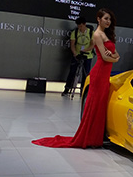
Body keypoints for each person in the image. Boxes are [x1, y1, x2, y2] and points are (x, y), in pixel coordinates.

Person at [33, 8, 120, 149]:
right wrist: (115, 59)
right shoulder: (97, 34)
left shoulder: (106, 35)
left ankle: (95, 138)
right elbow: (106, 57)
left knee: (100, 106)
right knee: (94, 105)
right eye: (105, 18)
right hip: (99, 73)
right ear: (98, 19)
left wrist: (114, 57)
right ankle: (89, 137)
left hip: (105, 75)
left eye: (109, 19)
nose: (108, 21)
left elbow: (115, 54)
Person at [62, 17, 94, 96]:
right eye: (78, 26)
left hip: (87, 56)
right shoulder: (75, 32)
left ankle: (83, 91)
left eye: (81, 26)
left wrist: (85, 50)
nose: (80, 28)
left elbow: (92, 45)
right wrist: (75, 54)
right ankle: (67, 89)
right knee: (72, 72)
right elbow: (72, 44)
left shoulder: (91, 32)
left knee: (85, 74)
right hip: (77, 55)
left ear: (84, 24)